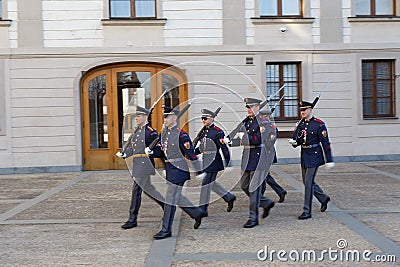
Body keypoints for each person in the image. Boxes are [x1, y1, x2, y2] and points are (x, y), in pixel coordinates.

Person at [148, 106, 206, 240]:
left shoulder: (181, 135)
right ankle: (197, 213)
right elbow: (163, 152)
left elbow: (191, 154)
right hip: (170, 169)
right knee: (177, 197)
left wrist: (199, 171)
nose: (164, 119)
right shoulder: (165, 133)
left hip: (179, 170)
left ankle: (166, 229)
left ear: (174, 118)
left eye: (167, 117)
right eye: (164, 117)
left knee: (170, 199)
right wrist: (153, 152)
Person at [229, 98, 275, 228]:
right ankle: (265, 202)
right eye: (247, 107)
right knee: (244, 186)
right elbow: (242, 140)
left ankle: (253, 218)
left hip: (259, 158)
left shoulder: (264, 122)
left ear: (257, 108)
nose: (248, 110)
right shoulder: (247, 122)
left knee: (254, 189)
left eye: (251, 107)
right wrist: (230, 142)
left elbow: (257, 139)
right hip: (247, 158)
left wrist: (242, 137)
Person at [116, 106, 165, 229]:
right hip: (137, 164)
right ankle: (167, 206)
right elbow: (133, 149)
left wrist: (152, 152)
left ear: (145, 117)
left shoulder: (150, 132)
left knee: (136, 191)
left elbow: (159, 150)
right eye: (136, 116)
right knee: (149, 189)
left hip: (145, 165)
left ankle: (132, 219)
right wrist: (125, 154)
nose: (136, 118)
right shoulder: (137, 131)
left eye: (138, 116)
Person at [289, 100, 335, 220]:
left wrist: (329, 160)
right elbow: (299, 140)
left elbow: (326, 143)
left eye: (304, 110)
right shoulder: (301, 124)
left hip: (315, 155)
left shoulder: (319, 124)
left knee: (308, 183)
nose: (302, 112)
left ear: (310, 110)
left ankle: (307, 211)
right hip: (304, 154)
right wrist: (294, 142)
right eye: (301, 110)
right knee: (306, 182)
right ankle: (323, 198)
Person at [194, 108, 236, 216]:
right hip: (205, 160)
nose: (203, 120)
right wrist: (192, 152)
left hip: (214, 161)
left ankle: (202, 209)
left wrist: (228, 162)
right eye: (202, 118)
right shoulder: (203, 131)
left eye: (205, 118)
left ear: (212, 119)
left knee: (205, 185)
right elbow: (203, 147)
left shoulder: (218, 132)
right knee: (210, 183)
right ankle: (229, 197)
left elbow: (224, 148)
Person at [259, 109, 287, 203]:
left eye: (266, 117)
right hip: (260, 155)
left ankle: (260, 197)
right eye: (262, 117)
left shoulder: (272, 127)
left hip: (268, 154)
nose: (264, 118)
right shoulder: (260, 126)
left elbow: (270, 142)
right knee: (265, 176)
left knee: (262, 176)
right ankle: (280, 191)